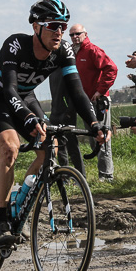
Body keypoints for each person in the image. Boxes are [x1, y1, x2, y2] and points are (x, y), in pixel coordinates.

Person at [0, 0, 108, 247]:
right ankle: (0, 219)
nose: (59, 31)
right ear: (36, 27)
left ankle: (20, 198)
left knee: (52, 146)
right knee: (10, 147)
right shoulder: (15, 44)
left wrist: (95, 124)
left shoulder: (63, 52)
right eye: (53, 25)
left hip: (25, 97)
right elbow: (9, 89)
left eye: (63, 26)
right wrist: (27, 118)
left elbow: (78, 92)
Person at [71, 24, 118, 182]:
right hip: (85, 102)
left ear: (85, 34)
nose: (75, 37)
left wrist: (100, 91)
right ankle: (103, 174)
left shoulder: (92, 50)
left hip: (98, 101)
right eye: (71, 35)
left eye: (78, 33)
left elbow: (111, 68)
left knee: (102, 137)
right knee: (93, 137)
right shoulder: (73, 53)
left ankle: (106, 176)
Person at [48, 39, 85, 173]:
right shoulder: (52, 70)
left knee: (72, 144)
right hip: (55, 110)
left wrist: (69, 111)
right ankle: (65, 174)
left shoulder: (68, 69)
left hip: (67, 111)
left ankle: (80, 174)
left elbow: (73, 93)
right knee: (59, 145)